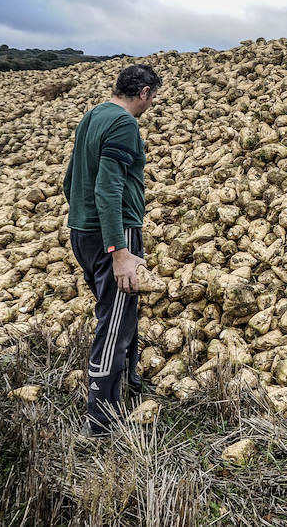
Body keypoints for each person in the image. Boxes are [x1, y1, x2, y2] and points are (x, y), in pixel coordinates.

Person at [64, 63, 161, 436]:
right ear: (144, 93)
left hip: (83, 231)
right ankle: (101, 421)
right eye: (154, 98)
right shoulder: (124, 125)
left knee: (124, 309)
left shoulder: (93, 116)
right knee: (115, 321)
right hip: (114, 233)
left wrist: (82, 219)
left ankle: (129, 383)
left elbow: (70, 179)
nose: (152, 104)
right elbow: (108, 188)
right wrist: (119, 250)